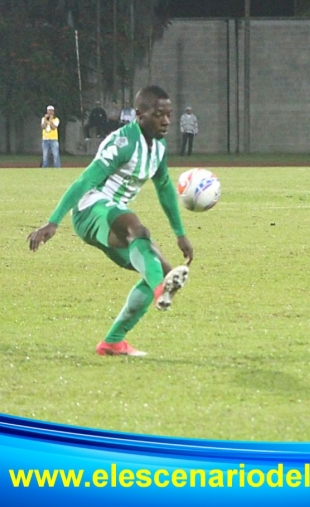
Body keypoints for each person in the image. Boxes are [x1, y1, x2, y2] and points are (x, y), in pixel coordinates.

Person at [27, 85, 193, 357]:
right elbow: (86, 180)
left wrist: (180, 233)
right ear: (139, 114)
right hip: (90, 209)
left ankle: (113, 341)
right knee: (138, 230)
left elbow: (163, 186)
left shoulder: (159, 148)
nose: (166, 121)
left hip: (113, 215)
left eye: (169, 115)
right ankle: (160, 290)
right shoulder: (123, 143)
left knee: (162, 269)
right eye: (158, 115)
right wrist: (53, 221)